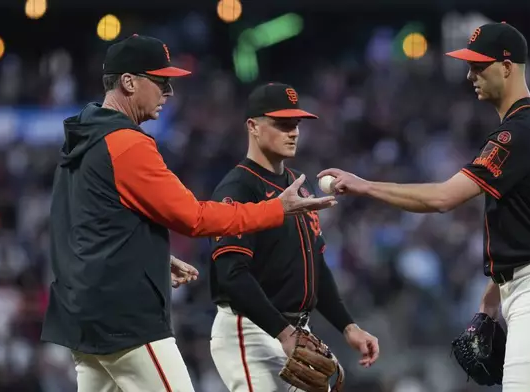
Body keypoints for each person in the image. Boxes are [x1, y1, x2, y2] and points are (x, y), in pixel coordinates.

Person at [40, 35, 337, 392]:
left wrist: (149, 256)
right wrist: (276, 208)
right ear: (129, 82)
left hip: (82, 317)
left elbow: (82, 228)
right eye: (161, 81)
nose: (169, 92)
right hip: (125, 320)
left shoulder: (82, 138)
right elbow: (194, 218)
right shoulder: (125, 142)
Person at [319, 22, 530, 391]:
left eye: (480, 66)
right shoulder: (524, 127)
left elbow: (444, 199)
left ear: (507, 67)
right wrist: (493, 295)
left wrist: (366, 186)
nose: (470, 74)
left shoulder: (519, 132)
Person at [208, 82, 379, 392]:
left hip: (296, 331)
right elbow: (231, 276)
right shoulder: (238, 189)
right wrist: (284, 333)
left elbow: (317, 267)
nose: (293, 132)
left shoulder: (299, 187)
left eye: (296, 124)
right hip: (249, 331)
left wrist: (347, 326)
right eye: (282, 123)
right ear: (253, 126)